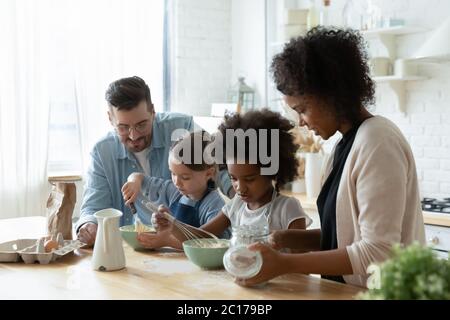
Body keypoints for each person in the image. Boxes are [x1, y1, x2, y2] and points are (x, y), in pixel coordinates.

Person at [237, 27, 426, 288]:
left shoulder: (378, 142)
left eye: (302, 109)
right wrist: (287, 239)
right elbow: (346, 235)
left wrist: (285, 264)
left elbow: (378, 252)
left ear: (332, 93)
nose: (300, 122)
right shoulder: (342, 148)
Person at [76, 76, 232, 246]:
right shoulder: (102, 152)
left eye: (142, 124)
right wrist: (88, 226)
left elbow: (221, 166)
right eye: (123, 127)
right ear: (110, 119)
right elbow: (93, 207)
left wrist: (241, 194)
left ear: (153, 111)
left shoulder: (182, 127)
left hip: (183, 252)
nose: (133, 135)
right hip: (134, 252)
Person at [153, 109, 312, 248]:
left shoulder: (287, 208)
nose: (240, 188)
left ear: (273, 171)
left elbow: (302, 264)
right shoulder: (236, 205)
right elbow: (201, 238)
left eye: (249, 179)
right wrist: (172, 225)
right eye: (233, 178)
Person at [121, 131, 228, 250]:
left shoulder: (213, 204)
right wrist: (133, 182)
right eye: (173, 173)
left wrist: (167, 241)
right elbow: (139, 177)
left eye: (185, 177)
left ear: (209, 173)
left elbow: (207, 242)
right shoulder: (173, 191)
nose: (177, 182)